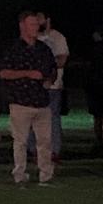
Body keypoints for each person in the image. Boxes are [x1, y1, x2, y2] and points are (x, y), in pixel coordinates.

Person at [0, 10, 57, 185]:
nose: (35, 28)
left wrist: (49, 79)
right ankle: (20, 174)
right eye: (32, 24)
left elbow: (52, 69)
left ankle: (45, 175)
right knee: (21, 141)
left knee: (45, 141)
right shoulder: (13, 49)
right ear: (22, 26)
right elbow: (4, 73)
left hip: (41, 101)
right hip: (20, 102)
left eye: (37, 24)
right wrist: (28, 73)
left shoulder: (43, 48)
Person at [35, 11, 69, 161]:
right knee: (34, 117)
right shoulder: (33, 37)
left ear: (47, 20)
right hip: (34, 87)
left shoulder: (58, 37)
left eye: (40, 18)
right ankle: (34, 150)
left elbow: (62, 60)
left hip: (53, 87)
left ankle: (54, 150)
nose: (37, 21)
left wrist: (47, 65)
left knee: (53, 118)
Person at [85, 27, 103, 151]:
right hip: (99, 83)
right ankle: (102, 139)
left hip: (97, 83)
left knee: (100, 113)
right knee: (99, 113)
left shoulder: (99, 48)